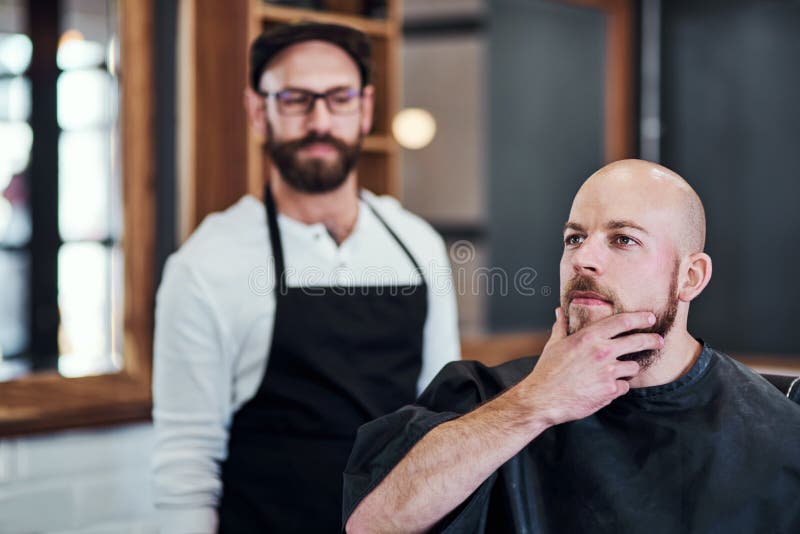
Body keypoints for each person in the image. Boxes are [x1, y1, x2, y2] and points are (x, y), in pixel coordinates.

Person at [343, 159, 800, 534]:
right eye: (575, 238)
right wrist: (534, 403)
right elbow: (372, 524)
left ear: (690, 277)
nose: (583, 257)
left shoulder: (778, 431)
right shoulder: (484, 397)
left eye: (623, 239)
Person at [152, 22, 460, 533]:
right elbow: (186, 463)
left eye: (338, 98)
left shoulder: (417, 243)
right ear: (258, 110)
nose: (320, 120)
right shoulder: (207, 263)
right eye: (296, 99)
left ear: (364, 109)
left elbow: (445, 421)